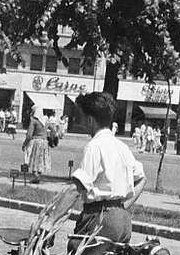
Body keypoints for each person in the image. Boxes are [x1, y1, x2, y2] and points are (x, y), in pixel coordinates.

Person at [52, 91, 143, 243]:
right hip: (123, 220)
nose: (81, 120)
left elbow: (76, 189)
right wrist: (122, 207)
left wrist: (50, 220)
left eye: (82, 116)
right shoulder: (122, 147)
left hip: (99, 218)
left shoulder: (95, 146)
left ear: (90, 119)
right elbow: (142, 179)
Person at [22, 110, 51, 184]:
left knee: (33, 158)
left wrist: (25, 144)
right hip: (44, 142)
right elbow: (53, 130)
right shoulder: (45, 121)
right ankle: (38, 175)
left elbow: (29, 135)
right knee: (41, 159)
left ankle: (35, 175)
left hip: (36, 141)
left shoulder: (34, 121)